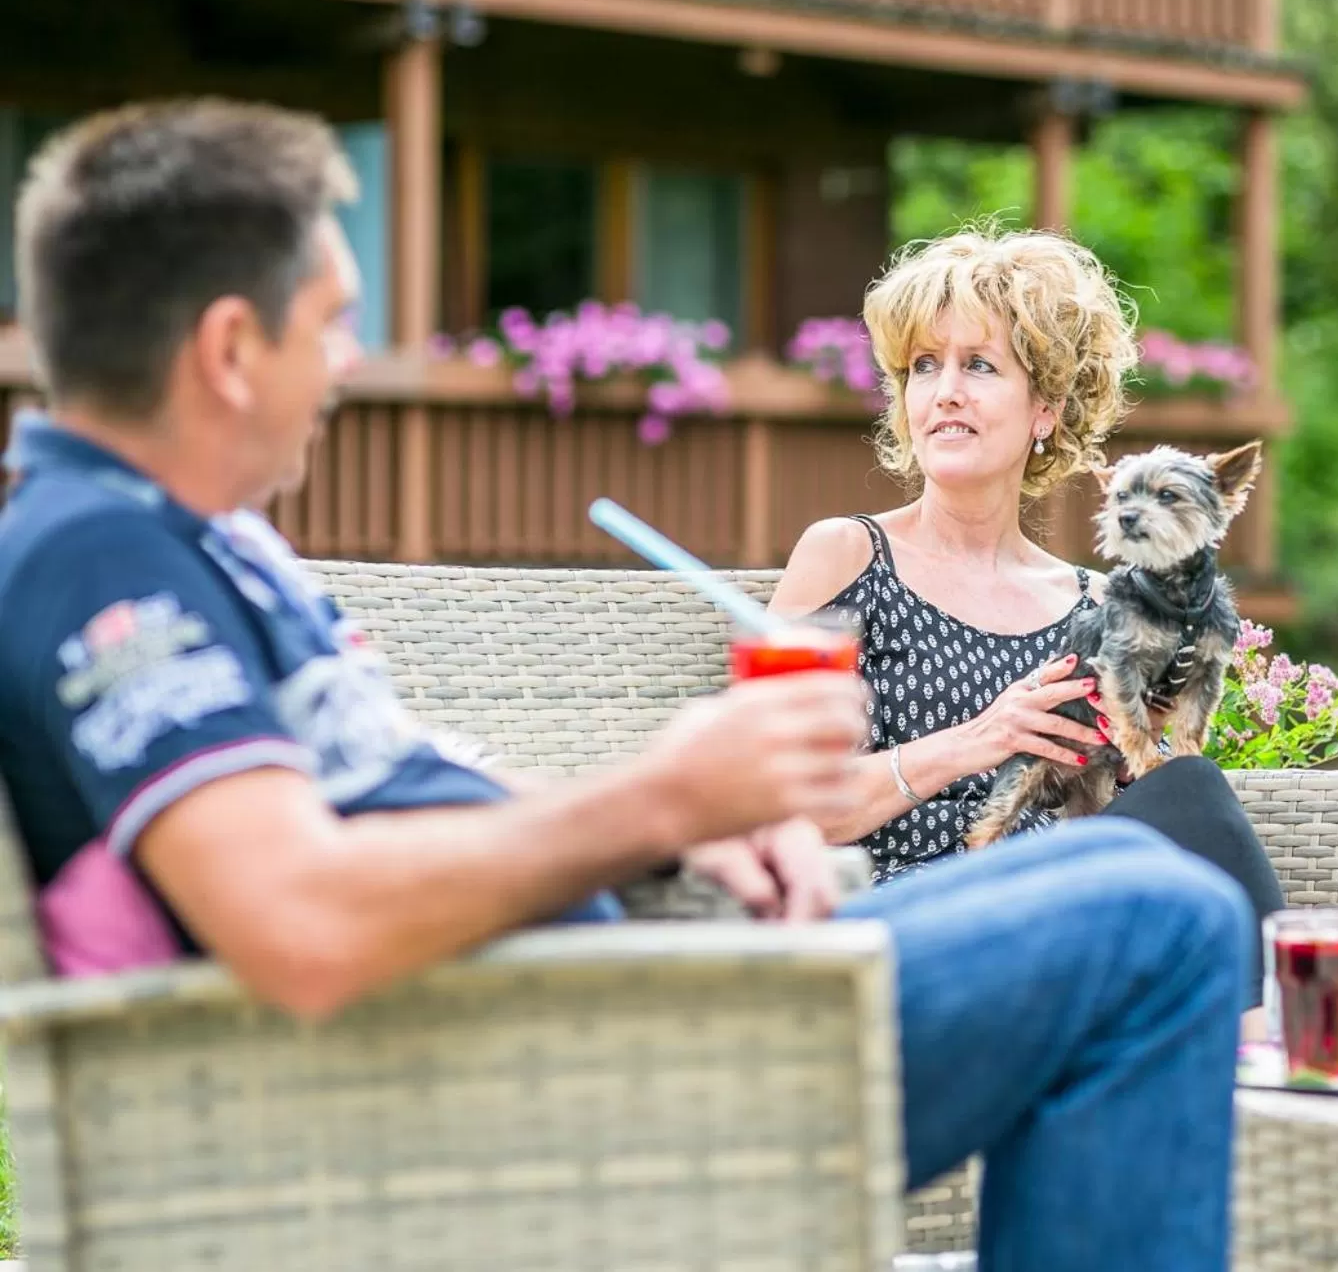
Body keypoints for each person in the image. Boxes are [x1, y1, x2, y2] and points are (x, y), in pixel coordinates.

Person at [0, 100, 1251, 1272]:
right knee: (1165, 924)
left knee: (1137, 872)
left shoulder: (197, 543)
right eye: (331, 323)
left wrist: (692, 828)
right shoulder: (103, 564)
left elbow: (372, 811)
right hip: (545, 1078)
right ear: (229, 347)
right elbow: (303, 920)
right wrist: (661, 801)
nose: (345, 365)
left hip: (589, 1003)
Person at [768, 225, 1287, 1027]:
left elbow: (1114, 812)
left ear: (1045, 406)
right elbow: (772, 803)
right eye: (922, 367)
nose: (944, 391)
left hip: (1060, 914)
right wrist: (977, 738)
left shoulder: (1095, 600)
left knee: (1187, 789)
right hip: (910, 923)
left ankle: (1276, 1061)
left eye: (978, 365)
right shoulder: (845, 555)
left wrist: (1139, 755)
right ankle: (1281, 1059)